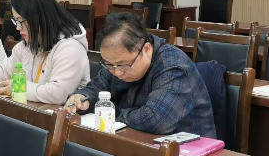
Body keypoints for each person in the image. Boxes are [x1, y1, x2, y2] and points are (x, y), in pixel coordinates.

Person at [65, 13, 215, 136]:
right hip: (138, 142)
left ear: (146, 49)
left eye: (124, 65)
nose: (116, 72)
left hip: (190, 153)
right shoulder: (116, 62)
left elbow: (155, 120)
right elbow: (97, 88)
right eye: (109, 64)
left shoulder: (173, 67)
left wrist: (110, 112)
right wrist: (82, 97)